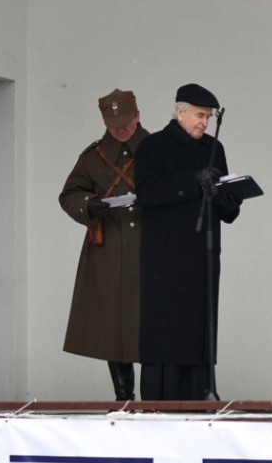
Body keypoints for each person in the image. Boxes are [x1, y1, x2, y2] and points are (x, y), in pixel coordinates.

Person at [134, 83, 243, 400]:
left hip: (202, 258)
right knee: (165, 338)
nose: (204, 122)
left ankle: (201, 396)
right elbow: (148, 193)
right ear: (180, 112)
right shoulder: (153, 147)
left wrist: (231, 200)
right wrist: (194, 180)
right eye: (199, 115)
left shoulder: (213, 149)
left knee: (200, 335)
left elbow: (225, 211)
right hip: (164, 260)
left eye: (208, 117)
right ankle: (160, 404)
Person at [59, 88, 148, 400]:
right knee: (114, 327)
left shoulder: (157, 149)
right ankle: (124, 397)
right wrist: (89, 204)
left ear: (138, 116)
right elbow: (70, 194)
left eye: (125, 122)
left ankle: (155, 399)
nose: (120, 129)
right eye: (113, 124)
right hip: (109, 249)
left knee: (154, 323)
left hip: (152, 246)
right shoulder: (92, 157)